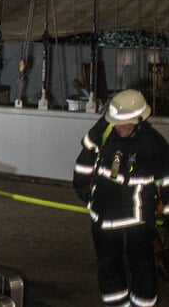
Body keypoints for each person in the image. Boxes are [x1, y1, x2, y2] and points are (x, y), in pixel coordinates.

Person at [73, 89, 169, 307]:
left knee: (142, 263)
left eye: (125, 123)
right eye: (116, 122)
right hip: (104, 213)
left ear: (139, 120)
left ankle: (143, 303)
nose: (119, 127)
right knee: (108, 264)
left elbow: (166, 182)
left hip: (138, 217)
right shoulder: (103, 130)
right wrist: (84, 191)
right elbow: (84, 161)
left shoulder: (155, 145)